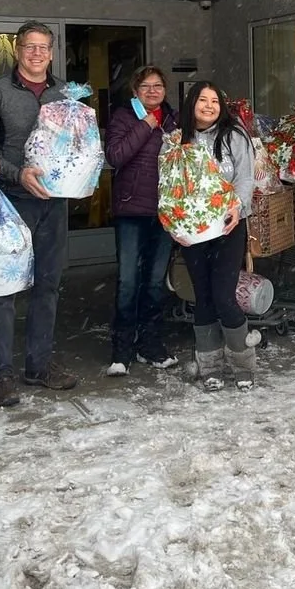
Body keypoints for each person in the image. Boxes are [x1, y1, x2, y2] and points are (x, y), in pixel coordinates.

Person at [0, 21, 78, 406]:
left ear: (52, 52)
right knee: (4, 291)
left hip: (54, 203)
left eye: (43, 47)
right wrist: (18, 174)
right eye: (29, 46)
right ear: (17, 50)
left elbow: (78, 143)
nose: (36, 53)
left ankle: (39, 365)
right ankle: (2, 374)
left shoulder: (65, 92)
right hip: (9, 204)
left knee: (48, 285)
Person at [178, 82, 257, 391]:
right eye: (202, 100)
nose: (209, 106)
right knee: (204, 298)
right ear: (191, 104)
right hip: (192, 231)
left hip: (228, 226)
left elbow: (245, 177)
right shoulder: (177, 140)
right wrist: (174, 226)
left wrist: (236, 207)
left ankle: (243, 365)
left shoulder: (234, 135)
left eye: (215, 101)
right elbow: (169, 185)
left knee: (224, 296)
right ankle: (210, 367)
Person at [105, 66, 180, 375]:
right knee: (127, 282)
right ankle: (121, 350)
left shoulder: (175, 119)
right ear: (135, 90)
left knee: (154, 282)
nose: (152, 91)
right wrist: (146, 125)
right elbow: (115, 156)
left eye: (158, 85)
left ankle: (150, 344)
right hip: (131, 210)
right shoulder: (124, 117)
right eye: (146, 86)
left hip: (164, 211)